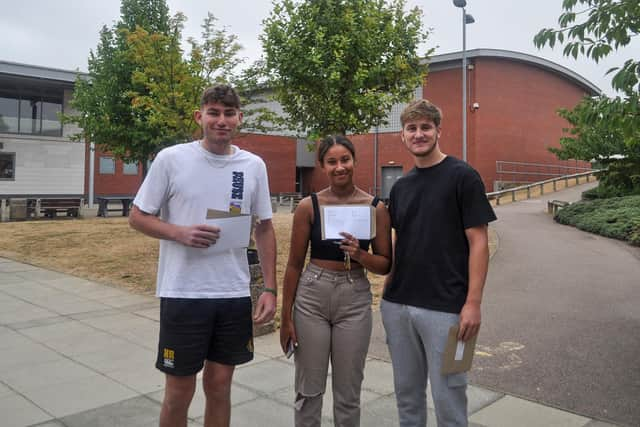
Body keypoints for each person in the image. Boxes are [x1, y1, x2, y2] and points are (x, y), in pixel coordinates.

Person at [129, 84, 277, 427]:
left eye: (229, 114)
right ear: (200, 117)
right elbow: (138, 216)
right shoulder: (171, 159)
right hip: (184, 293)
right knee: (179, 391)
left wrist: (269, 288)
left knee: (220, 386)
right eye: (213, 113)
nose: (221, 121)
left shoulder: (253, 166)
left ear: (240, 118)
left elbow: (265, 227)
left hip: (233, 293)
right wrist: (180, 233)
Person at [381, 99, 497, 427]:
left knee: (449, 398)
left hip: (448, 311)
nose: (418, 134)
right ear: (403, 136)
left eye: (425, 127)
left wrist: (473, 303)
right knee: (407, 396)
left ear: (437, 131)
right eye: (411, 128)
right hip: (399, 307)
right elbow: (401, 238)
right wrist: (388, 290)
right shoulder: (401, 187)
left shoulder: (464, 177)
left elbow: (479, 242)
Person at [280, 135, 392, 427]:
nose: (340, 167)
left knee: (348, 392)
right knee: (308, 388)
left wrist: (360, 255)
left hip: (354, 297)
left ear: (355, 161)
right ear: (322, 166)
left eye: (345, 159)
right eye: (332, 162)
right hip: (313, 296)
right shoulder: (309, 206)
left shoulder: (375, 207)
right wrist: (285, 318)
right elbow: (293, 265)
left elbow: (384, 264)